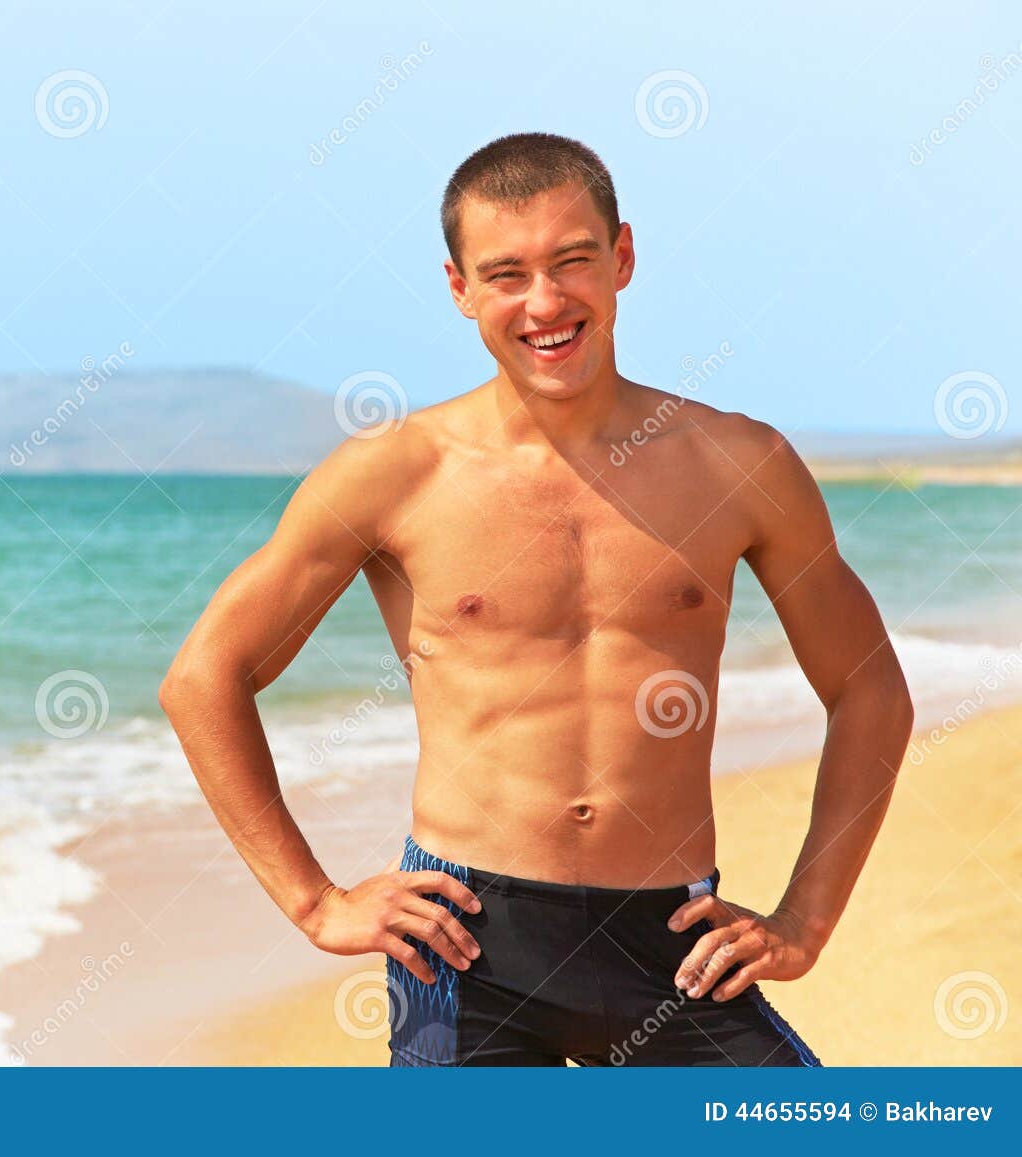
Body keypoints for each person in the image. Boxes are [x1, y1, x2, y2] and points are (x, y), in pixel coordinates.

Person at [157, 132, 913, 1066]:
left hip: (673, 936)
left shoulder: (739, 464)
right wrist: (315, 901)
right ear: (459, 288)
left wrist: (806, 917)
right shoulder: (395, 473)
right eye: (507, 273)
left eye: (573, 262)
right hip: (467, 943)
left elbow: (870, 688)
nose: (545, 303)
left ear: (623, 258)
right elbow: (205, 677)